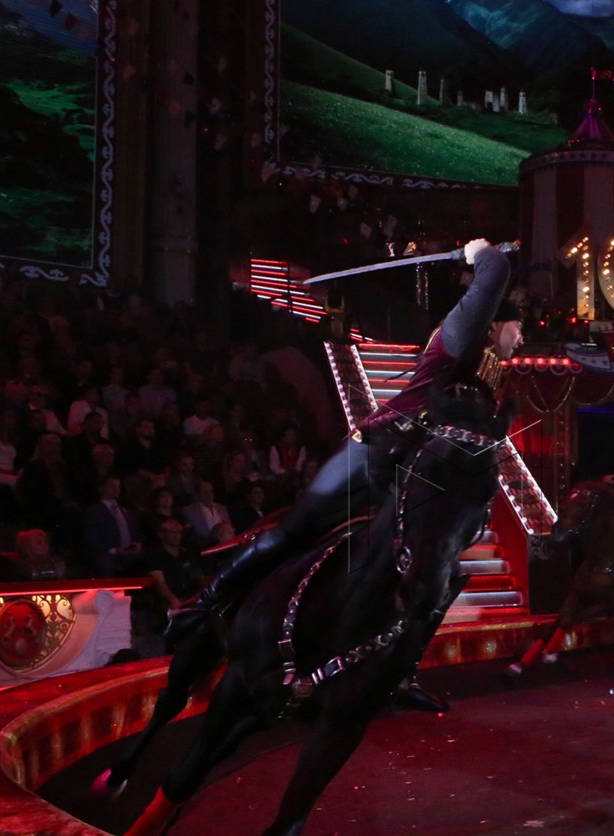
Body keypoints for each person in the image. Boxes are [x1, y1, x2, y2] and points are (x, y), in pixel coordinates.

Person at [165, 240, 520, 655]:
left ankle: (396, 662)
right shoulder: (461, 337)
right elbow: (496, 269)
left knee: (438, 567)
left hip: (411, 476)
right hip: (374, 454)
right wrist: (479, 252)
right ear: (492, 324)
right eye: (517, 327)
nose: (522, 337)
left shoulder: (485, 379)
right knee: (292, 533)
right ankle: (201, 604)